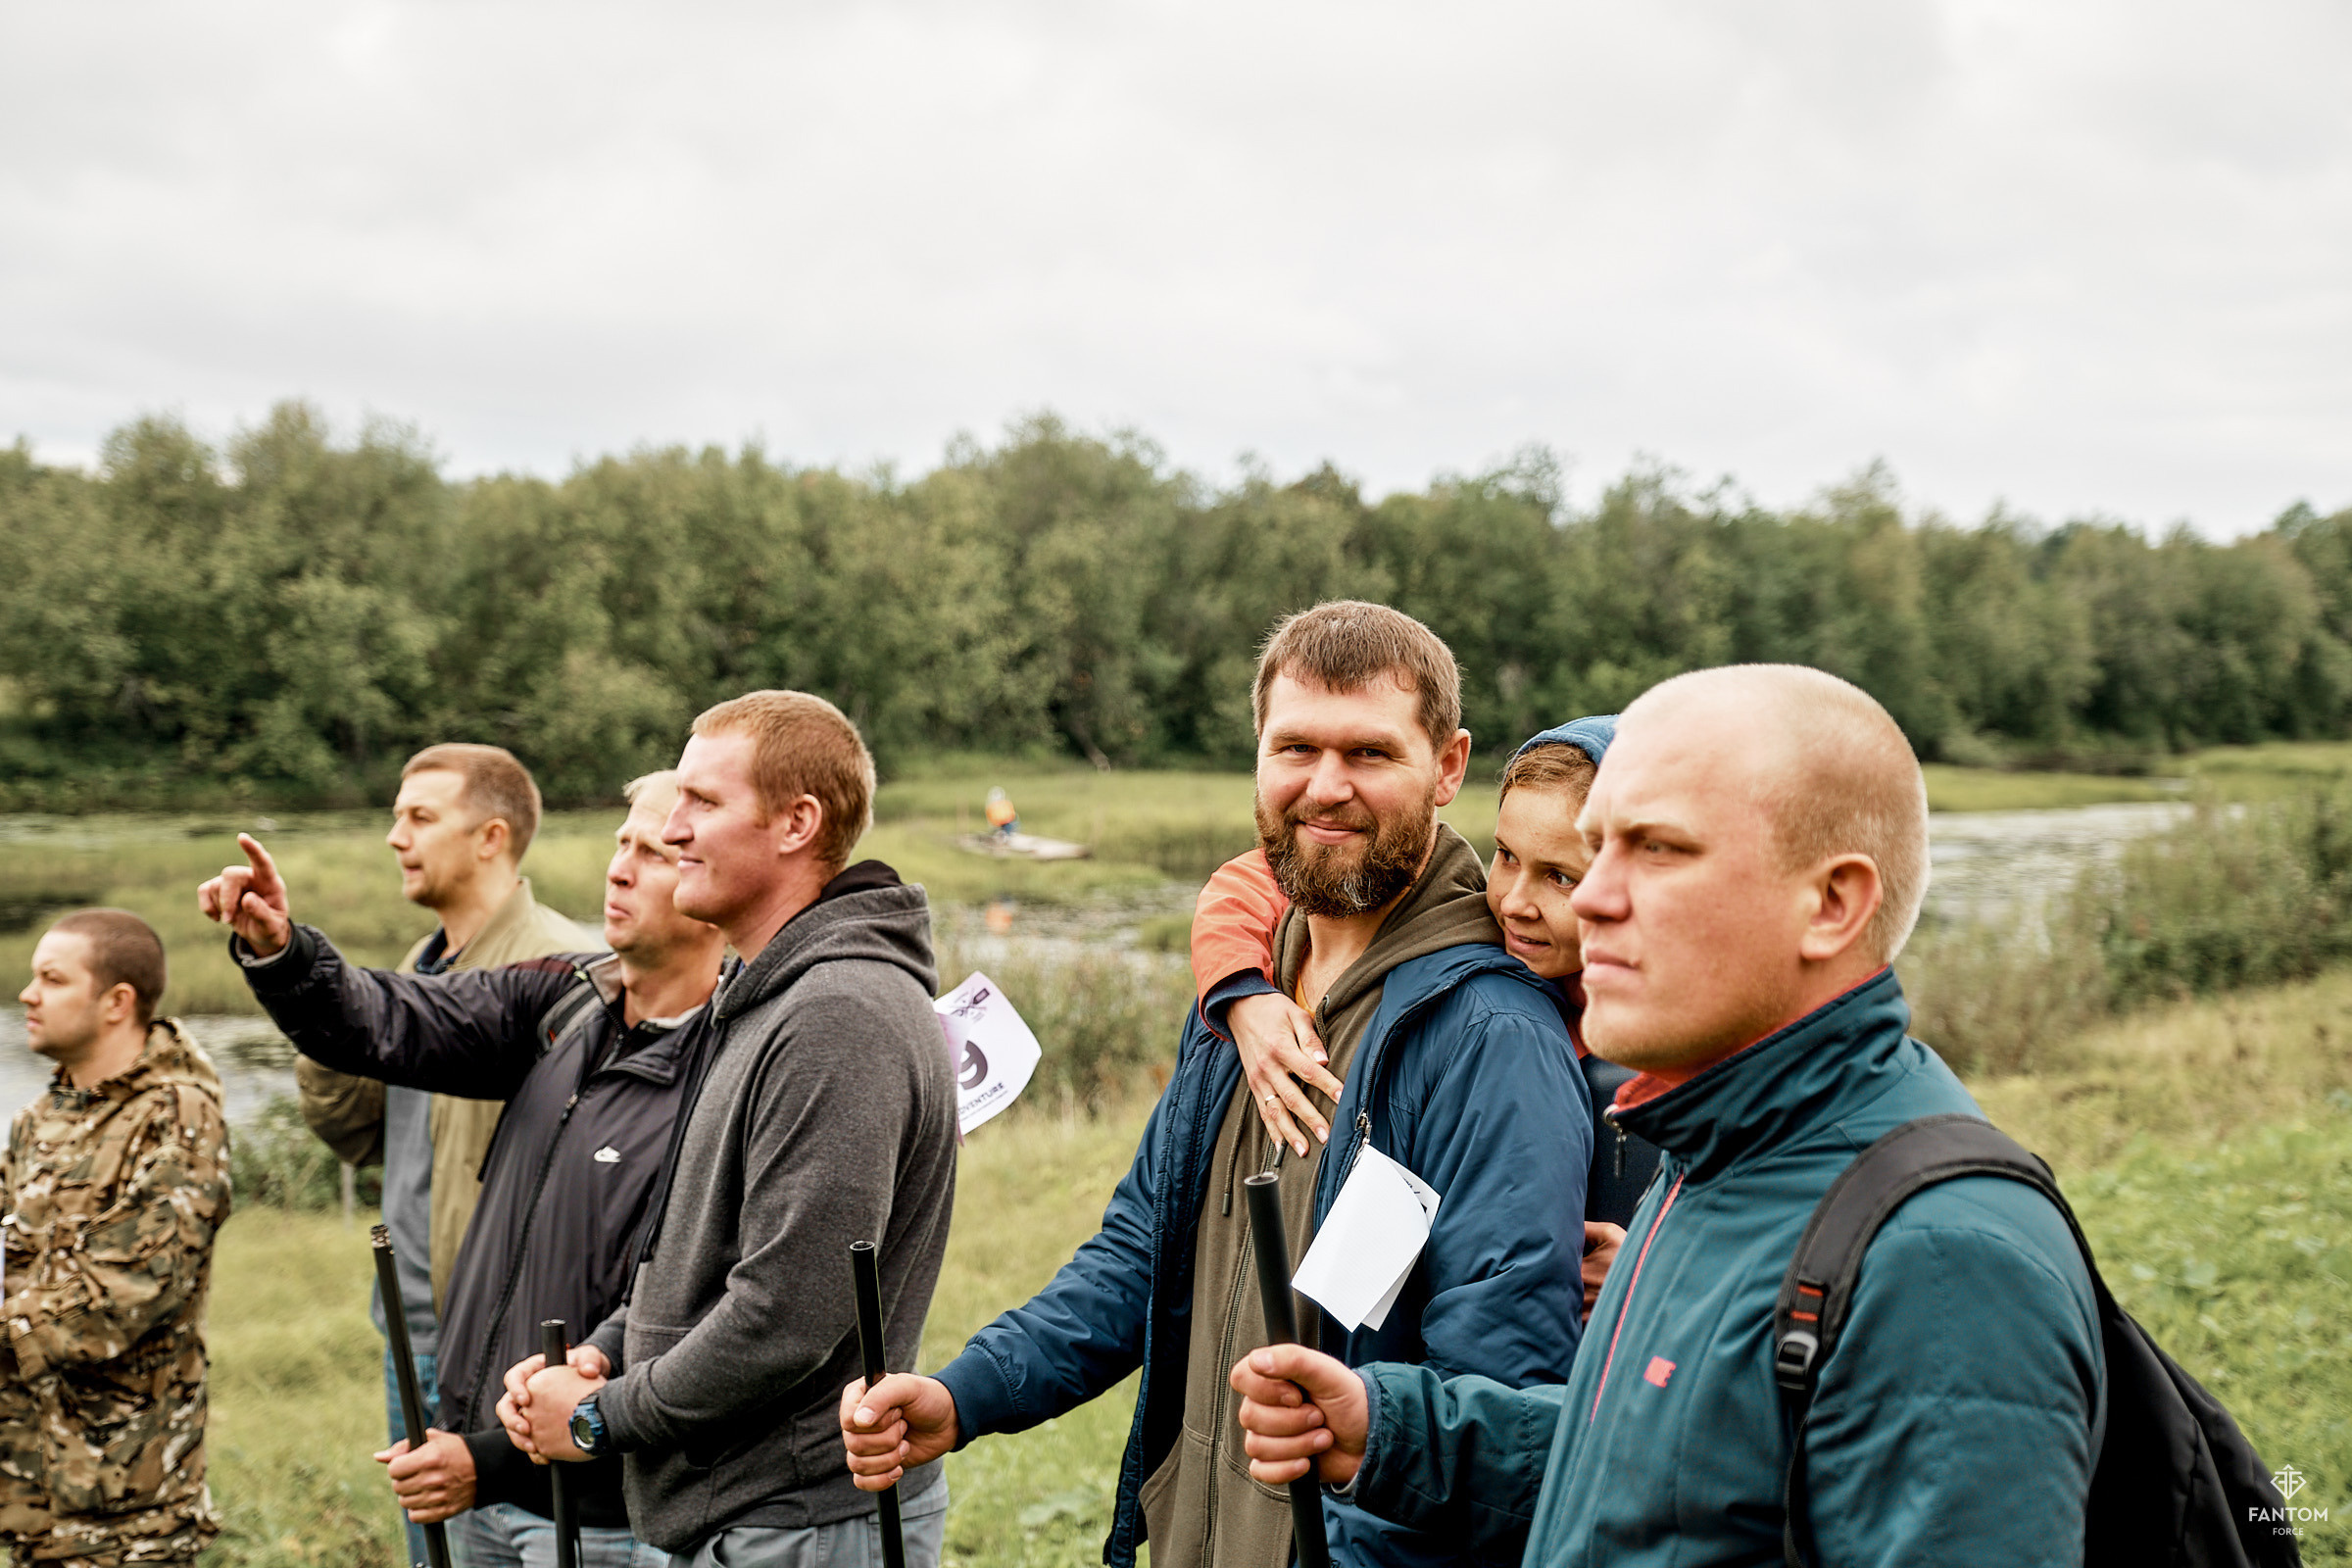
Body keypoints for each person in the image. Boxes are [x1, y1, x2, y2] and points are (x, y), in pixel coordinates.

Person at [1229, 664, 2107, 1567]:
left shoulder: (1944, 1262)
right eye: (1597, 850)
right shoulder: (1707, 1158)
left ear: (1832, 905)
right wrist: (1394, 1433)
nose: (1592, 898)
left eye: (1658, 851)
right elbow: (1657, 1456)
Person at [843, 601, 1592, 1568]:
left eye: (1369, 752)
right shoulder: (1244, 993)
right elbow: (1139, 1255)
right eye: (1296, 748)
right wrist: (965, 1395)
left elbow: (1499, 1399)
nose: (1326, 786)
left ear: (1448, 767)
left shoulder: (1493, 1038)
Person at [201, 772, 725, 1568]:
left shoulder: (732, 1066)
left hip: (600, 1517)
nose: (618, 870)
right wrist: (283, 952)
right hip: (475, 1473)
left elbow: (680, 1315)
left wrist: (491, 1458)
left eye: (652, 854)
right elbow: (385, 1019)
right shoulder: (559, 1004)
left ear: (711, 883)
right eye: (620, 844)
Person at [498, 693, 959, 1568]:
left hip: (798, 1527)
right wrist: (605, 1354)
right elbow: (702, 1255)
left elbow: (786, 1315)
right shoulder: (770, 995)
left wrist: (599, 1418)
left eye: (703, 802)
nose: (673, 829)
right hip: (750, 1520)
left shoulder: (837, 1015)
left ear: (796, 823)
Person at [1187, 713, 1664, 1313]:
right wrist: (1243, 994)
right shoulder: (1486, 944)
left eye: (1562, 877)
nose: (1515, 902)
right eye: (1506, 856)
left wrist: (1657, 1277)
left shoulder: (1715, 1039)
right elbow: (1249, 884)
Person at [295, 743, 590, 1567]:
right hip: (412, 1337)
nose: (396, 836)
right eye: (397, 817)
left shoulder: (565, 974)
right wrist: (325, 1019)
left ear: (491, 837)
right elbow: (359, 1135)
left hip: (510, 1351)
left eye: (420, 817)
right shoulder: (417, 973)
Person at [2, 909, 230, 1568]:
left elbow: (130, 1291)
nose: (28, 994)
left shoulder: (176, 1114)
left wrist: (10, 1324)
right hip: (34, 1497)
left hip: (127, 1513)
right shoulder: (38, 1121)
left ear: (116, 1002)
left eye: (52, 979)